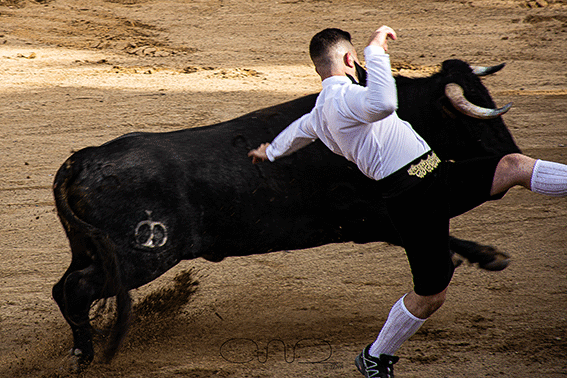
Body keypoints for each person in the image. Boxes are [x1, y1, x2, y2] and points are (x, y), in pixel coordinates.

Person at [248, 26, 567, 378]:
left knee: (512, 165)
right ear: (349, 59)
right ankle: (375, 355)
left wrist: (270, 151)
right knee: (431, 295)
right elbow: (384, 103)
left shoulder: (320, 111)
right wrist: (376, 50)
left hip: (432, 177)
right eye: (358, 57)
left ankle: (375, 356)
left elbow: (297, 132)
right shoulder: (346, 99)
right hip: (414, 198)